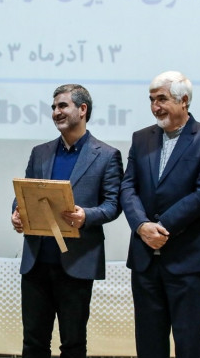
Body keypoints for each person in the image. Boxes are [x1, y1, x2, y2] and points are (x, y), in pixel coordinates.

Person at [10, 84, 122, 358]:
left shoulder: (107, 155)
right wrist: (17, 212)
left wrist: (86, 216)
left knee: (73, 344)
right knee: (33, 343)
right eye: (53, 107)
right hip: (37, 262)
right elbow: (24, 194)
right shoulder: (40, 152)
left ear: (82, 109)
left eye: (62, 106)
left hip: (77, 263)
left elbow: (113, 205)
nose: (56, 112)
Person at [119, 71, 200, 358]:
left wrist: (161, 227)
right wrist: (142, 225)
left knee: (188, 344)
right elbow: (128, 187)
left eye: (162, 99)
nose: (155, 107)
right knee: (149, 345)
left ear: (184, 100)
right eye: (152, 100)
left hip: (188, 261)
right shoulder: (141, 138)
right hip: (145, 260)